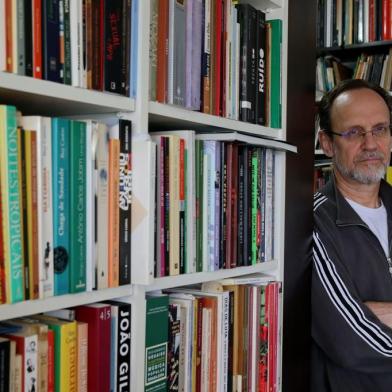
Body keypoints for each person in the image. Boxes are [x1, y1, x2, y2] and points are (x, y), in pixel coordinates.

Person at [313, 78, 392, 391]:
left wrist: (368, 310)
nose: (370, 144)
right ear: (328, 143)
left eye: (380, 129)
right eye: (353, 132)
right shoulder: (314, 223)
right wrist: (359, 317)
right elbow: (350, 340)